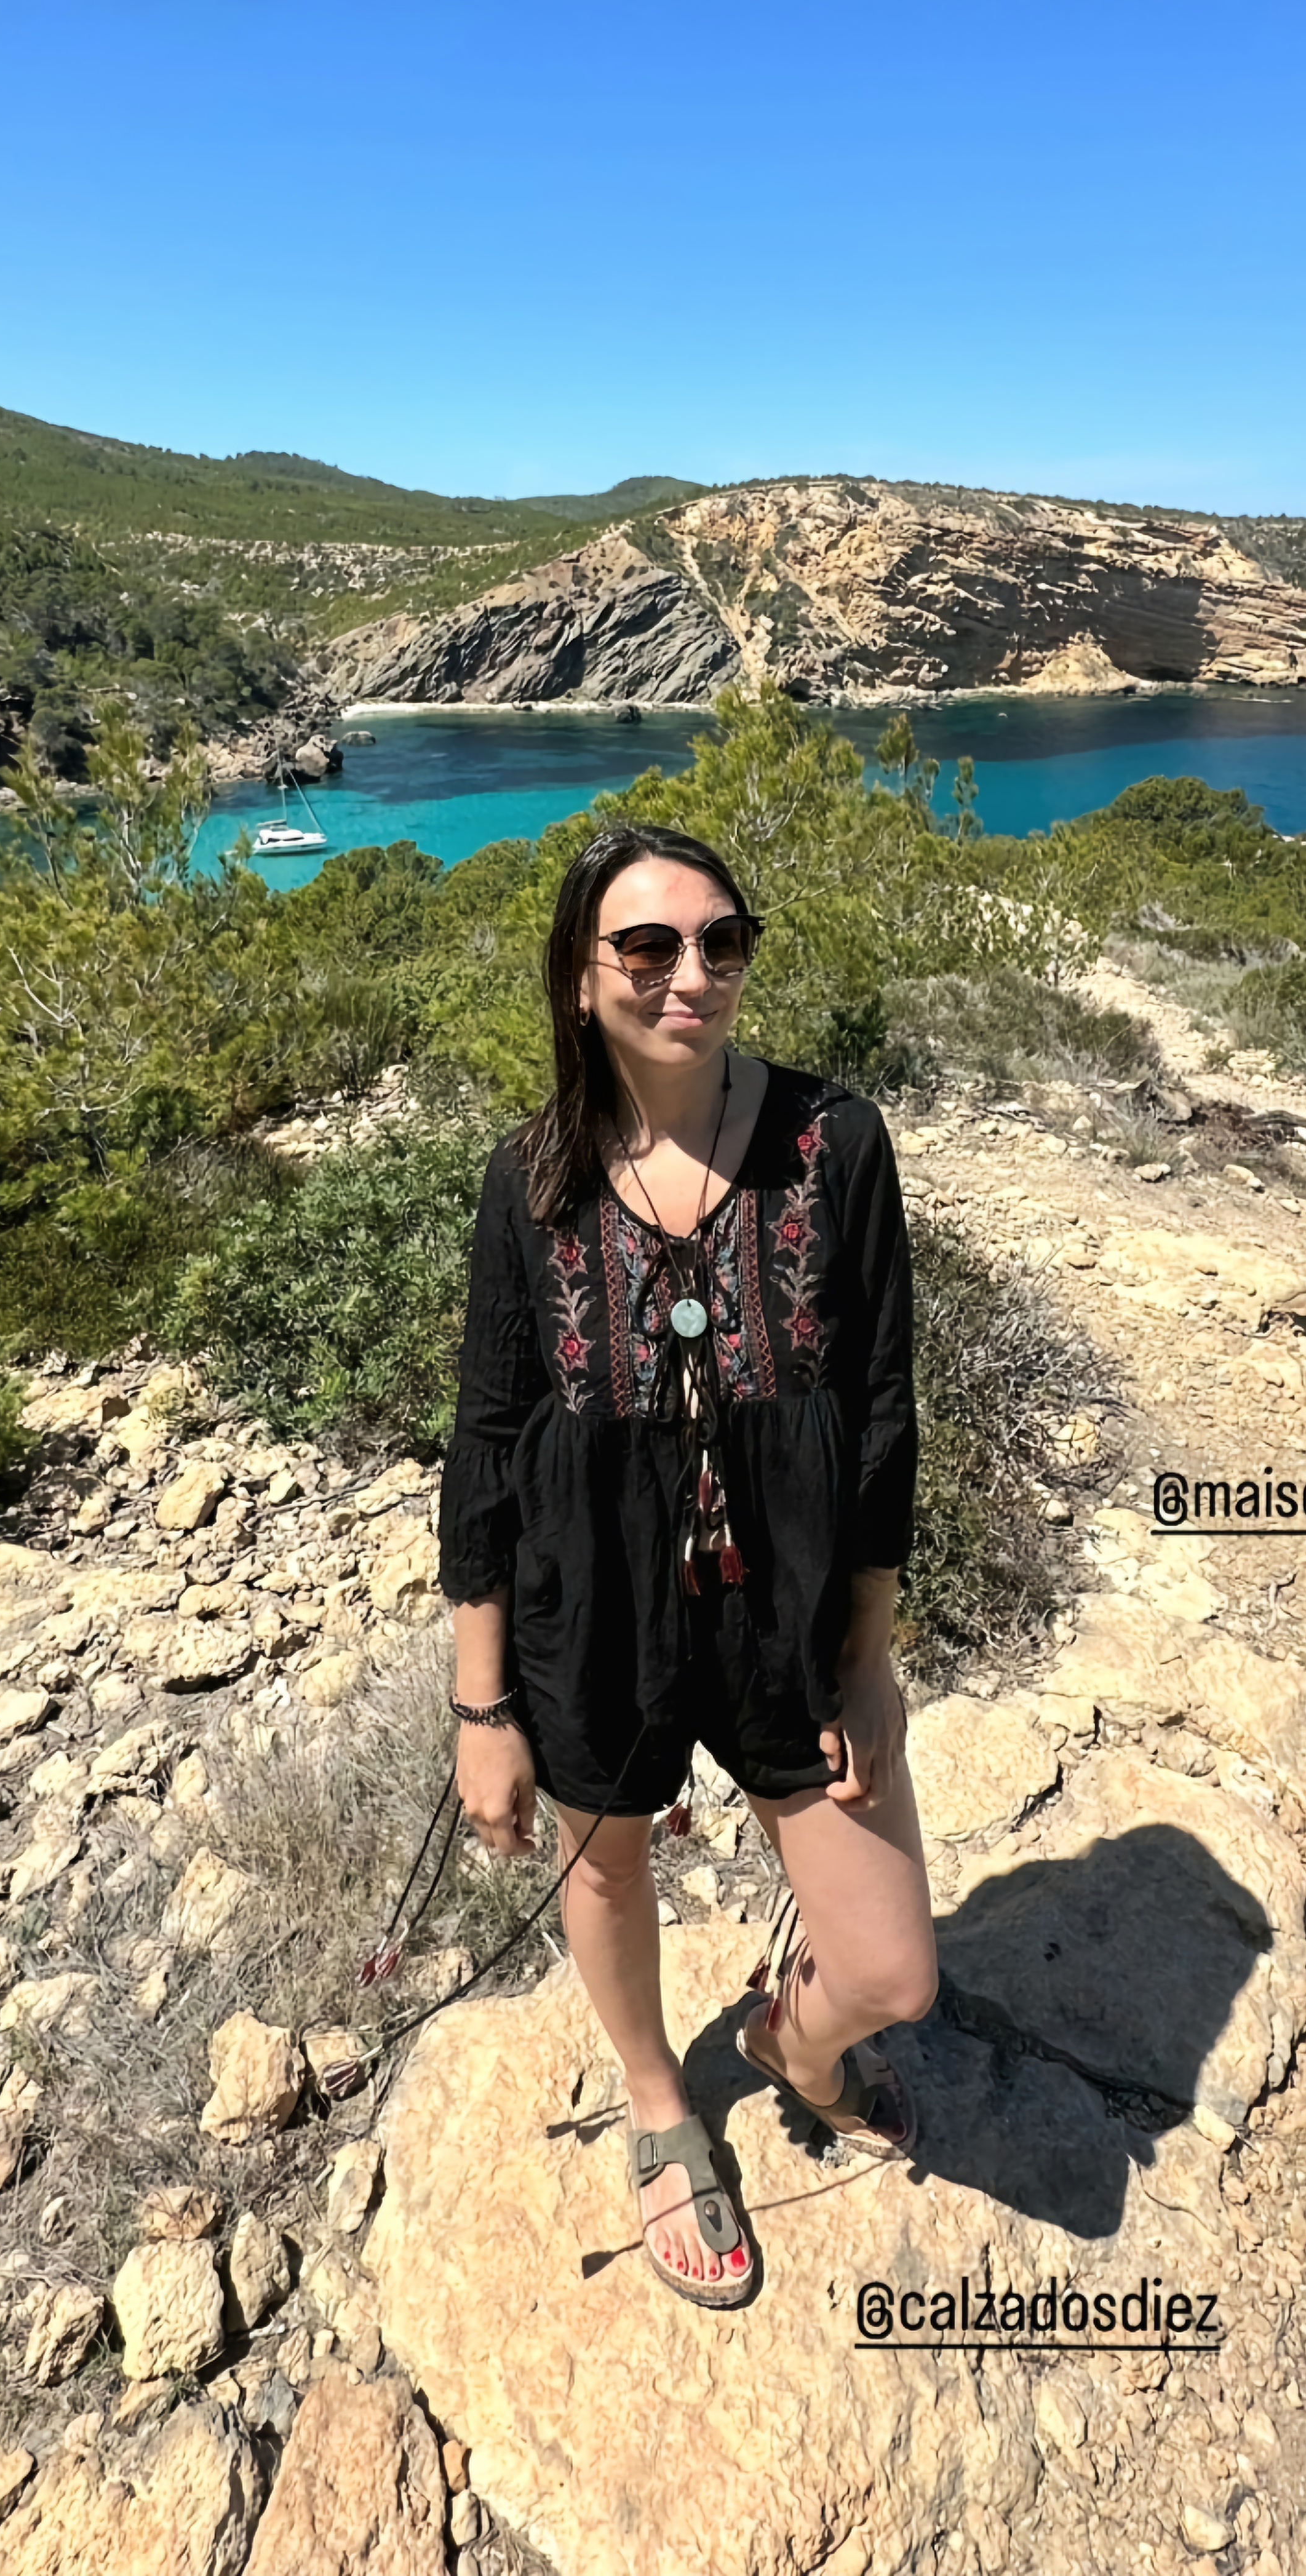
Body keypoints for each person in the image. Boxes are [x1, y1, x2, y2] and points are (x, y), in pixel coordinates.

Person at [438, 820, 939, 2308]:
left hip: (790, 1607)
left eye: (722, 941)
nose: (692, 975)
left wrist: (868, 1655)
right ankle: (661, 2106)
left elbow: (886, 1413)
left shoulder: (834, 1144)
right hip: (590, 1604)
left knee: (892, 1974)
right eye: (648, 947)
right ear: (580, 976)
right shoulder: (531, 1178)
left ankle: (793, 2047)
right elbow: (486, 1438)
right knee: (607, 1863)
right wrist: (481, 1706)